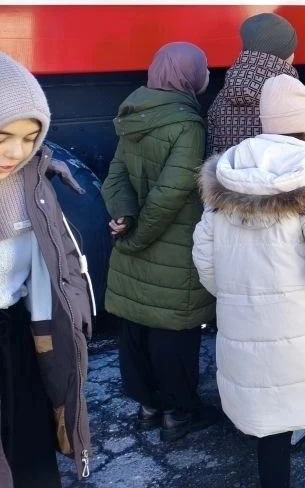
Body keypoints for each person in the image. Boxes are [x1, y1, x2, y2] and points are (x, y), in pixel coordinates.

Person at [193, 75, 305, 488]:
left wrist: (239, 298)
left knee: (270, 429)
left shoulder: (229, 174)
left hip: (247, 328)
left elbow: (204, 257)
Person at [101, 42, 215, 442]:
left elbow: (114, 175)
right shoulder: (188, 124)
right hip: (171, 249)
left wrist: (124, 219)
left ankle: (148, 407)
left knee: (135, 329)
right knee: (174, 332)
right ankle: (178, 414)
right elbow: (173, 193)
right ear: (191, 76)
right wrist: (140, 236)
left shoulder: (134, 113)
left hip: (133, 242)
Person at [0, 53, 93, 485]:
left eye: (29, 137)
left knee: (33, 456)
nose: (16, 152)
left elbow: (58, 258)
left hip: (21, 333)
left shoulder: (34, 179)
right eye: (4, 135)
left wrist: (74, 313)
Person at [207, 12, 305, 155]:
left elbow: (214, 158)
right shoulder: (298, 98)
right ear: (285, 51)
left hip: (236, 177)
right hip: (294, 177)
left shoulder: (220, 101)